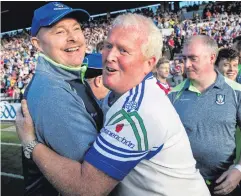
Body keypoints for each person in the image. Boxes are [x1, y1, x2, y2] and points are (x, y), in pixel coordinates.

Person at [16, 13, 210, 196]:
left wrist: (31, 144)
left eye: (123, 50)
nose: (109, 56)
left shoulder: (138, 113)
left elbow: (86, 188)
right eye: (108, 46)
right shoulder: (125, 94)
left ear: (149, 63)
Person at [19, 2, 104, 195]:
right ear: (37, 44)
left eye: (76, 29)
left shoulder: (67, 78)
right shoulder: (52, 91)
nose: (74, 38)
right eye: (60, 32)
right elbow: (93, 181)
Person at [168, 35, 241, 196]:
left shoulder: (236, 92)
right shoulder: (173, 95)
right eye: (184, 58)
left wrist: (238, 170)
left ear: (211, 58)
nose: (186, 65)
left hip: (225, 184)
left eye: (193, 58)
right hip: (184, 186)